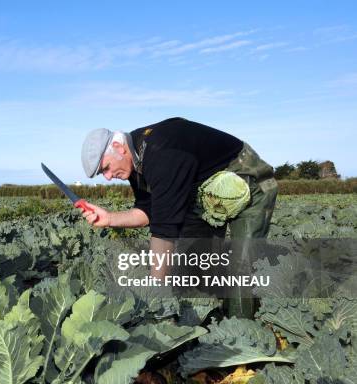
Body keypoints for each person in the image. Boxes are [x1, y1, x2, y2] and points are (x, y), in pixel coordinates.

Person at [80, 117, 278, 317]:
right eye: (101, 174)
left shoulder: (162, 152)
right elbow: (147, 212)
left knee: (241, 264)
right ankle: (208, 322)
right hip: (203, 196)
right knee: (191, 265)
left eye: (105, 168)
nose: (107, 176)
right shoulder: (135, 161)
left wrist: (155, 295)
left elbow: (164, 229)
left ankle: (241, 328)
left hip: (246, 181)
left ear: (118, 146)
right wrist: (110, 219)